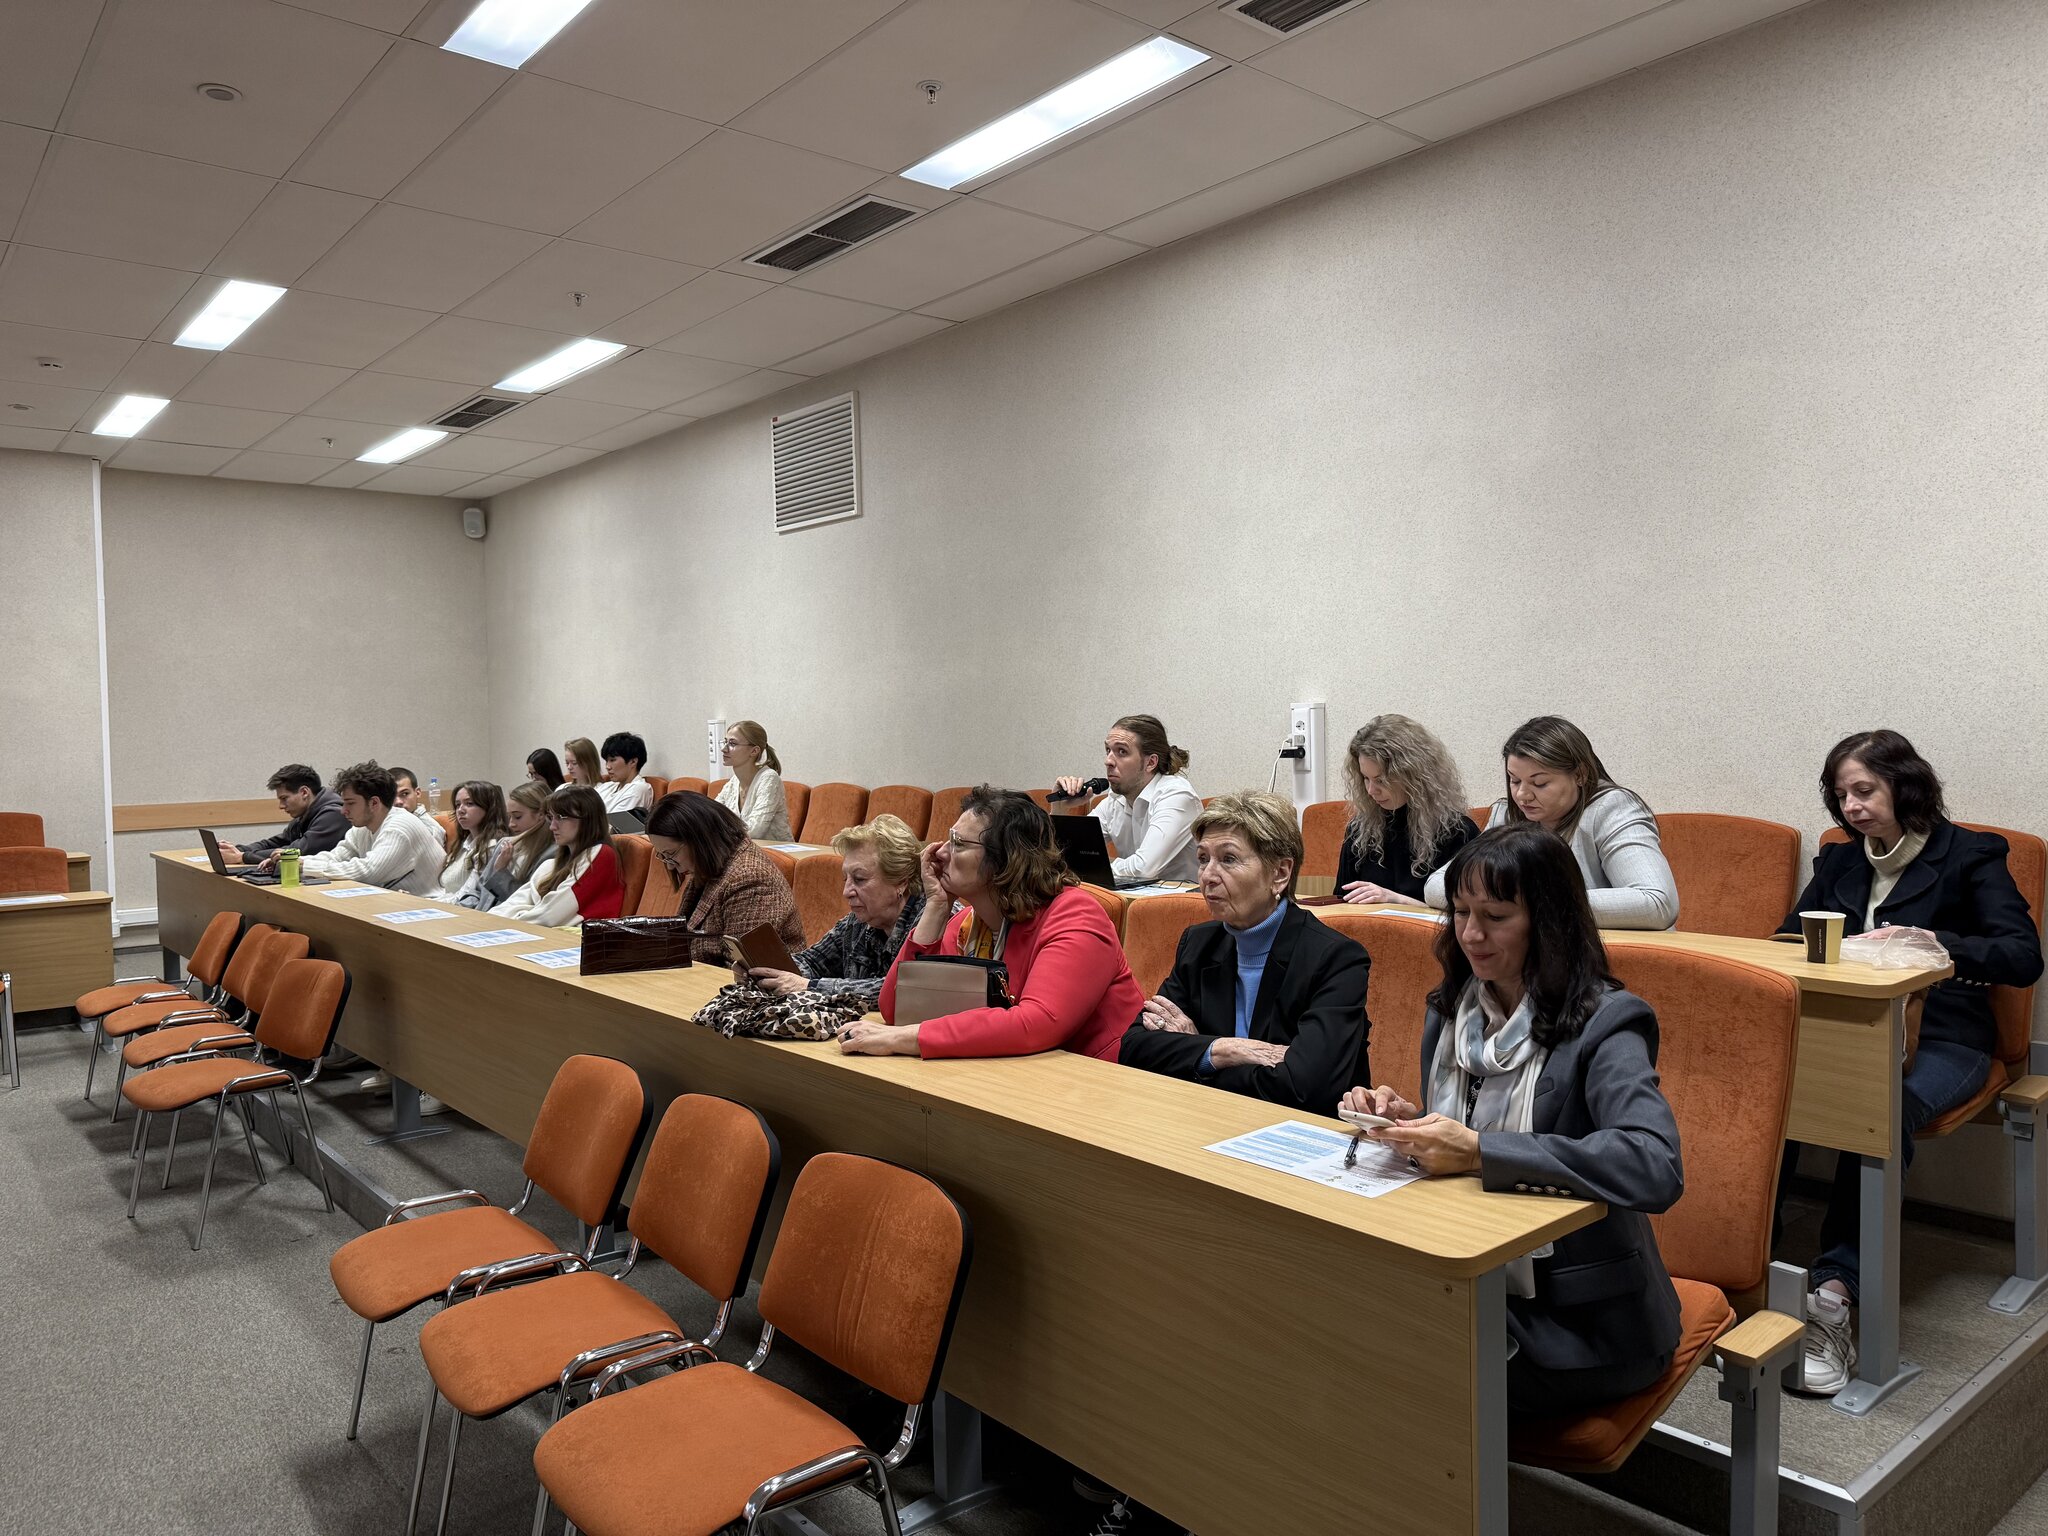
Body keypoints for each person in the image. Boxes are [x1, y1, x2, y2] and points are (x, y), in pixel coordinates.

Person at [1345, 822, 1683, 1415]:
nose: (1471, 935)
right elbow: (1470, 1125)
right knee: (1334, 1315)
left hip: (1584, 1321)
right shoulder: (1453, 1009)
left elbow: (1654, 1164)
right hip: (1474, 1272)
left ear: (1548, 922)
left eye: (1496, 917)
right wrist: (1409, 1123)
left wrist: (1479, 1152)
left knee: (1381, 1366)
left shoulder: (1607, 1022)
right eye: (1461, 913)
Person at [1776, 730, 2044, 1394]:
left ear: (1906, 786)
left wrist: (1931, 942)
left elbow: (2021, 956)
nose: (1852, 806)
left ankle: (1834, 1294)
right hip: (1843, 1030)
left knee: (1876, 1105)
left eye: (1864, 790)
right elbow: (1786, 939)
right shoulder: (1840, 859)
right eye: (1842, 794)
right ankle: (1750, 1261)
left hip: (1946, 1037)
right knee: (1767, 1087)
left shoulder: (1971, 855)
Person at [846, 787, 1143, 1061]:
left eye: (958, 843)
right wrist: (936, 907)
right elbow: (897, 1009)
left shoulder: (1076, 915)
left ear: (1006, 859)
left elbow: (1036, 1023)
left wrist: (910, 1037)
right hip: (1018, 1075)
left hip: (1103, 1080)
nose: (940, 853)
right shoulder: (966, 924)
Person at [1120, 791, 1369, 1113]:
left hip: (1298, 1131)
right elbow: (1135, 1048)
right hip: (1210, 1119)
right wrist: (1224, 1049)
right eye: (1203, 859)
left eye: (1228, 859)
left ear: (1280, 873)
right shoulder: (1199, 943)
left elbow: (1304, 1089)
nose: (1208, 876)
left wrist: (1196, 1051)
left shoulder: (1335, 959)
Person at [1426, 715, 1678, 930]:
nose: (1522, 795)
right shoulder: (1507, 815)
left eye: (1540, 783)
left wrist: (1522, 902)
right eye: (1514, 780)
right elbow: (1437, 886)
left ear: (1580, 775)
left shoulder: (1611, 808)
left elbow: (1657, 903)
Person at [742, 815, 928, 1011]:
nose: (846, 892)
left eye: (860, 879)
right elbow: (812, 961)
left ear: (901, 882)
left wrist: (810, 987)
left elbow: (903, 989)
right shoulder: (857, 922)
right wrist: (761, 969)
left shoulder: (932, 922)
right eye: (845, 879)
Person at [643, 791, 804, 961]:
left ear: (699, 839)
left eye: (671, 854)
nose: (669, 865)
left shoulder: (749, 878)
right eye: (662, 856)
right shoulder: (713, 864)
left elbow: (738, 967)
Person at [1336, 715, 1479, 903]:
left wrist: (1395, 899)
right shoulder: (1360, 830)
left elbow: (1463, 913)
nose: (1371, 790)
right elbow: (1340, 900)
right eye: (1366, 778)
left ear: (1413, 776)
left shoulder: (1458, 832)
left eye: (1381, 780)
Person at [1053, 713, 1200, 884]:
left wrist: (1093, 867)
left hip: (1180, 898)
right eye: (1108, 750)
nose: (1108, 761)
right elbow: (1065, 855)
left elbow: (1144, 868)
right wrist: (1059, 808)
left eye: (1121, 752)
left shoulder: (1176, 794)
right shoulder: (1114, 801)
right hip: (1133, 895)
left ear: (1150, 763)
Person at [301, 761, 444, 896]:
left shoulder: (400, 826)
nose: (343, 811)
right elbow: (337, 857)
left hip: (430, 904)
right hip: (397, 902)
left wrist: (306, 867)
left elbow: (368, 871)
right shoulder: (362, 827)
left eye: (350, 803)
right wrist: (297, 862)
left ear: (374, 803)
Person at [493, 784, 624, 927]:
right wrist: (488, 921)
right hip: (542, 933)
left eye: (561, 817)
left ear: (587, 819)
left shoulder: (601, 854)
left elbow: (548, 916)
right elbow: (514, 902)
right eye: (551, 817)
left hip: (576, 938)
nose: (552, 826)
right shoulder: (550, 865)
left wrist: (514, 917)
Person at [219, 763, 348, 868]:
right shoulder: (305, 814)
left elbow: (297, 851)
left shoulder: (334, 814)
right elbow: (276, 842)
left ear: (304, 792)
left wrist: (242, 857)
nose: (281, 806)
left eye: (284, 798)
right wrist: (237, 849)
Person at [475, 781, 555, 911]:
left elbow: (526, 902)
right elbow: (479, 888)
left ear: (541, 815)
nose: (511, 824)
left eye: (517, 817)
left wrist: (500, 871)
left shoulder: (551, 854)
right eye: (509, 817)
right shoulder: (505, 843)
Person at [433, 781, 508, 907]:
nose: (460, 810)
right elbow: (447, 890)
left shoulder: (491, 847)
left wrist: (426, 903)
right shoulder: (464, 843)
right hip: (447, 905)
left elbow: (466, 896)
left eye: (469, 804)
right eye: (457, 805)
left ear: (488, 808)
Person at [716, 719, 792, 840]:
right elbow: (709, 817)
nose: (724, 749)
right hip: (741, 849)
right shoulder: (734, 782)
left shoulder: (769, 778)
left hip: (773, 850)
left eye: (732, 743)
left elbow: (755, 831)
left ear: (754, 751)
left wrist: (716, 832)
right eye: (725, 742)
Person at [597, 731, 653, 814]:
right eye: (607, 761)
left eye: (612, 760)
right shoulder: (607, 786)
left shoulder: (638, 789)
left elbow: (616, 821)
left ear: (633, 762)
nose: (607, 766)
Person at [391, 767, 446, 848]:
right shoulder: (384, 821)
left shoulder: (430, 830)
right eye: (392, 796)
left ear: (417, 793)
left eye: (405, 794)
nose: (398, 802)